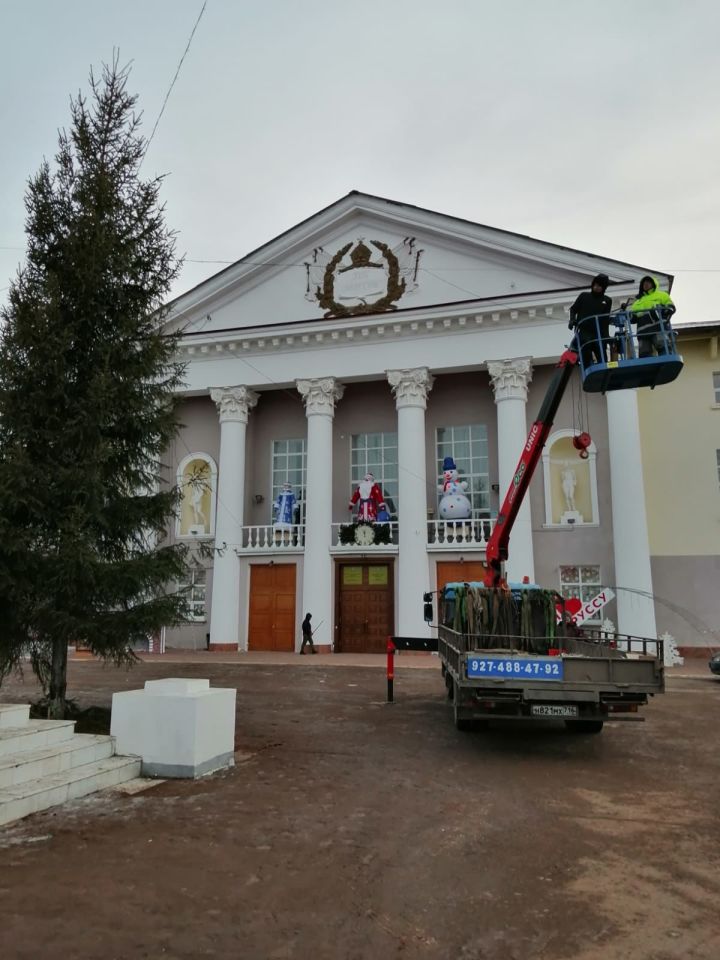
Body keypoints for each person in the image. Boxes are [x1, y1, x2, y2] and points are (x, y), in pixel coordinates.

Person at [569, 274, 613, 367]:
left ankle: (604, 370)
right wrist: (572, 320)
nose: (597, 287)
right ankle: (587, 369)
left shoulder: (607, 300)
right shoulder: (584, 296)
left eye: (600, 286)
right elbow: (573, 309)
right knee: (585, 351)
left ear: (603, 288)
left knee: (602, 355)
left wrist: (606, 337)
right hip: (584, 331)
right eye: (596, 285)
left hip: (598, 333)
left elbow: (605, 320)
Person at [629, 275, 675, 358]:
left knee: (664, 349)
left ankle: (666, 361)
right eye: (644, 283)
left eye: (648, 282)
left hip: (658, 328)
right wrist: (627, 315)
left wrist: (662, 312)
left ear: (654, 284)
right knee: (644, 354)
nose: (645, 284)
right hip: (643, 332)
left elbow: (670, 308)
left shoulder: (662, 295)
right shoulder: (637, 302)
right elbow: (633, 318)